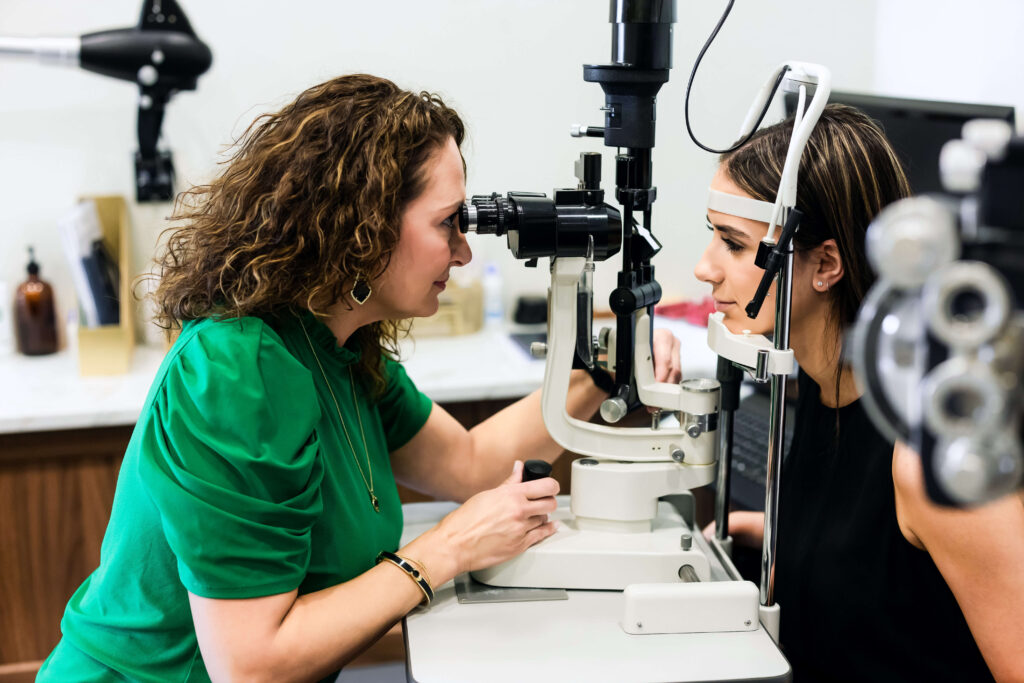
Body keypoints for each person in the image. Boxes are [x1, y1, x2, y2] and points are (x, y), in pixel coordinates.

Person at [37, 74, 682, 682]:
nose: (463, 251)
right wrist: (445, 548)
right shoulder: (239, 370)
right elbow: (251, 664)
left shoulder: (338, 348)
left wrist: (601, 375)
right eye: (446, 223)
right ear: (362, 225)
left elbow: (471, 462)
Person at [698, 103, 1024, 681]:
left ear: (826, 264)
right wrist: (777, 535)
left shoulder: (926, 459)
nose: (704, 269)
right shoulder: (820, 393)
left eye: (733, 243)